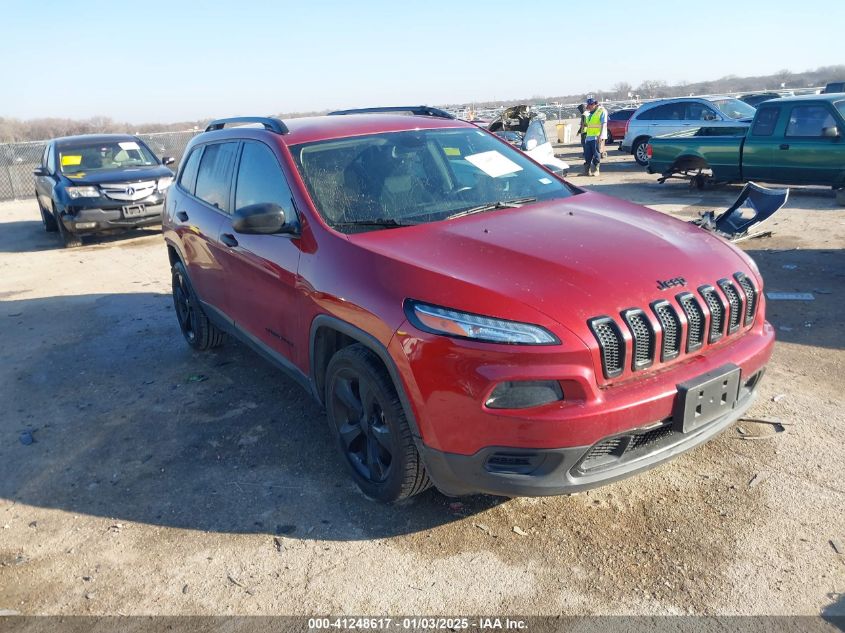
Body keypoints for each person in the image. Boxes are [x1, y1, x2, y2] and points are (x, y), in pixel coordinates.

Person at [580, 98, 607, 177]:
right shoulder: (589, 113)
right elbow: (589, 125)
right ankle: (587, 171)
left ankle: (596, 170)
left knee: (596, 154)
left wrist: (600, 136)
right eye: (588, 105)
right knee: (587, 154)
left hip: (596, 137)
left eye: (590, 105)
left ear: (594, 104)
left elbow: (603, 124)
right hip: (589, 137)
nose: (588, 106)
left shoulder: (601, 111)